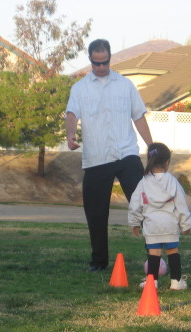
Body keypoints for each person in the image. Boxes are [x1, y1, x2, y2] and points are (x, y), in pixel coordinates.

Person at [65, 39, 153, 272]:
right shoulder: (80, 88)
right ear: (90, 60)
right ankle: (99, 262)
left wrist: (151, 146)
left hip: (127, 155)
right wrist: (70, 135)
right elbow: (72, 113)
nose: (101, 67)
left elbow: (139, 116)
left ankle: (154, 255)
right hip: (96, 157)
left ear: (110, 59)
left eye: (105, 63)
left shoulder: (125, 85)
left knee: (143, 205)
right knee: (95, 213)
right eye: (96, 63)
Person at [128, 142, 191, 290]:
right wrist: (186, 224)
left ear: (149, 161)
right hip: (170, 224)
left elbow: (135, 203)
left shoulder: (144, 182)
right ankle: (176, 282)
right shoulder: (172, 182)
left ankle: (152, 283)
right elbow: (181, 204)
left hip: (152, 225)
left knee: (154, 252)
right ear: (167, 162)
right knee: (172, 251)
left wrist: (134, 223)